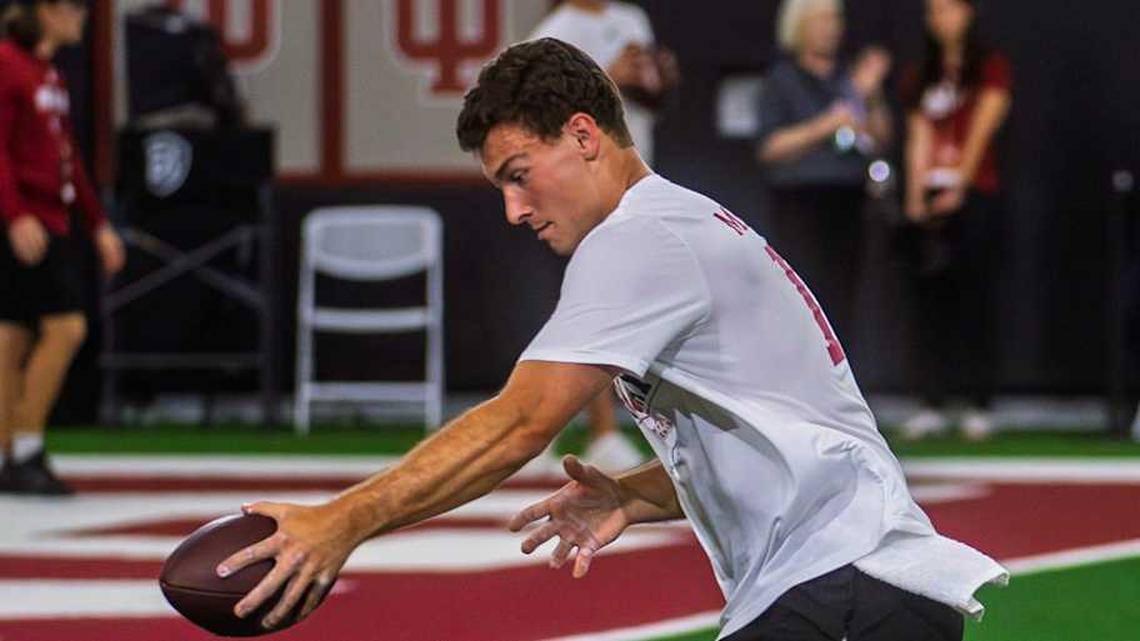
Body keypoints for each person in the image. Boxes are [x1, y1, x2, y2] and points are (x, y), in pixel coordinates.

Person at [216, 39, 1005, 640]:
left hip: (841, 586)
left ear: (584, 135)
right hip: (865, 585)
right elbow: (783, 432)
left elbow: (521, 421)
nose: (514, 211)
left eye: (519, 174)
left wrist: (342, 521)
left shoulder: (639, 240)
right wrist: (635, 492)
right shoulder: (680, 224)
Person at [527, 0, 680, 472]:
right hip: (585, 180)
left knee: (627, 303)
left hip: (637, 173)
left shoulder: (631, 19)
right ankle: (600, 431)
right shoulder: (553, 33)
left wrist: (658, 75)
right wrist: (608, 76)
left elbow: (650, 97)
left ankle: (547, 424)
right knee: (598, 304)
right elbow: (542, 120)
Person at [0, 0, 125, 495]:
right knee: (65, 327)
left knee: (12, 336)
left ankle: (9, 449)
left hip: (51, 216)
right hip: (28, 219)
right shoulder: (9, 63)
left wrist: (98, 224)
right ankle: (25, 446)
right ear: (45, 11)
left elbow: (66, 153)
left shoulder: (47, 74)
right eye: (72, 7)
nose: (81, 16)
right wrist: (15, 215)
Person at [898, 0, 1011, 441]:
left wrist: (959, 185)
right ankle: (931, 399)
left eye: (950, 8)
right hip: (931, 193)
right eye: (934, 11)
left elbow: (985, 124)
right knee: (930, 302)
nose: (942, 18)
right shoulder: (919, 75)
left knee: (975, 298)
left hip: (974, 193)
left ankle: (977, 400)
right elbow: (919, 134)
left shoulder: (989, 67)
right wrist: (915, 194)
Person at [756, 0, 892, 347]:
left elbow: (880, 138)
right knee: (800, 295)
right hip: (799, 200)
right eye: (821, 19)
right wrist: (826, 125)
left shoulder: (850, 78)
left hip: (846, 196)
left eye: (835, 19)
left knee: (843, 292)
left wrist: (871, 96)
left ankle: (841, 379)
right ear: (799, 27)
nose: (831, 27)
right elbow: (769, 147)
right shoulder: (781, 79)